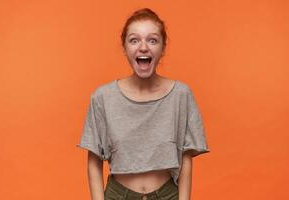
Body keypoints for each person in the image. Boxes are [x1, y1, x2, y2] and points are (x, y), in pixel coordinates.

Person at [77, 8, 210, 200]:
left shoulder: (181, 95)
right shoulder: (103, 97)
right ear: (124, 47)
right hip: (118, 196)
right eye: (134, 40)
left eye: (152, 40)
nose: (143, 47)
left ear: (163, 48)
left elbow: (186, 157)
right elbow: (94, 160)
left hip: (168, 195)